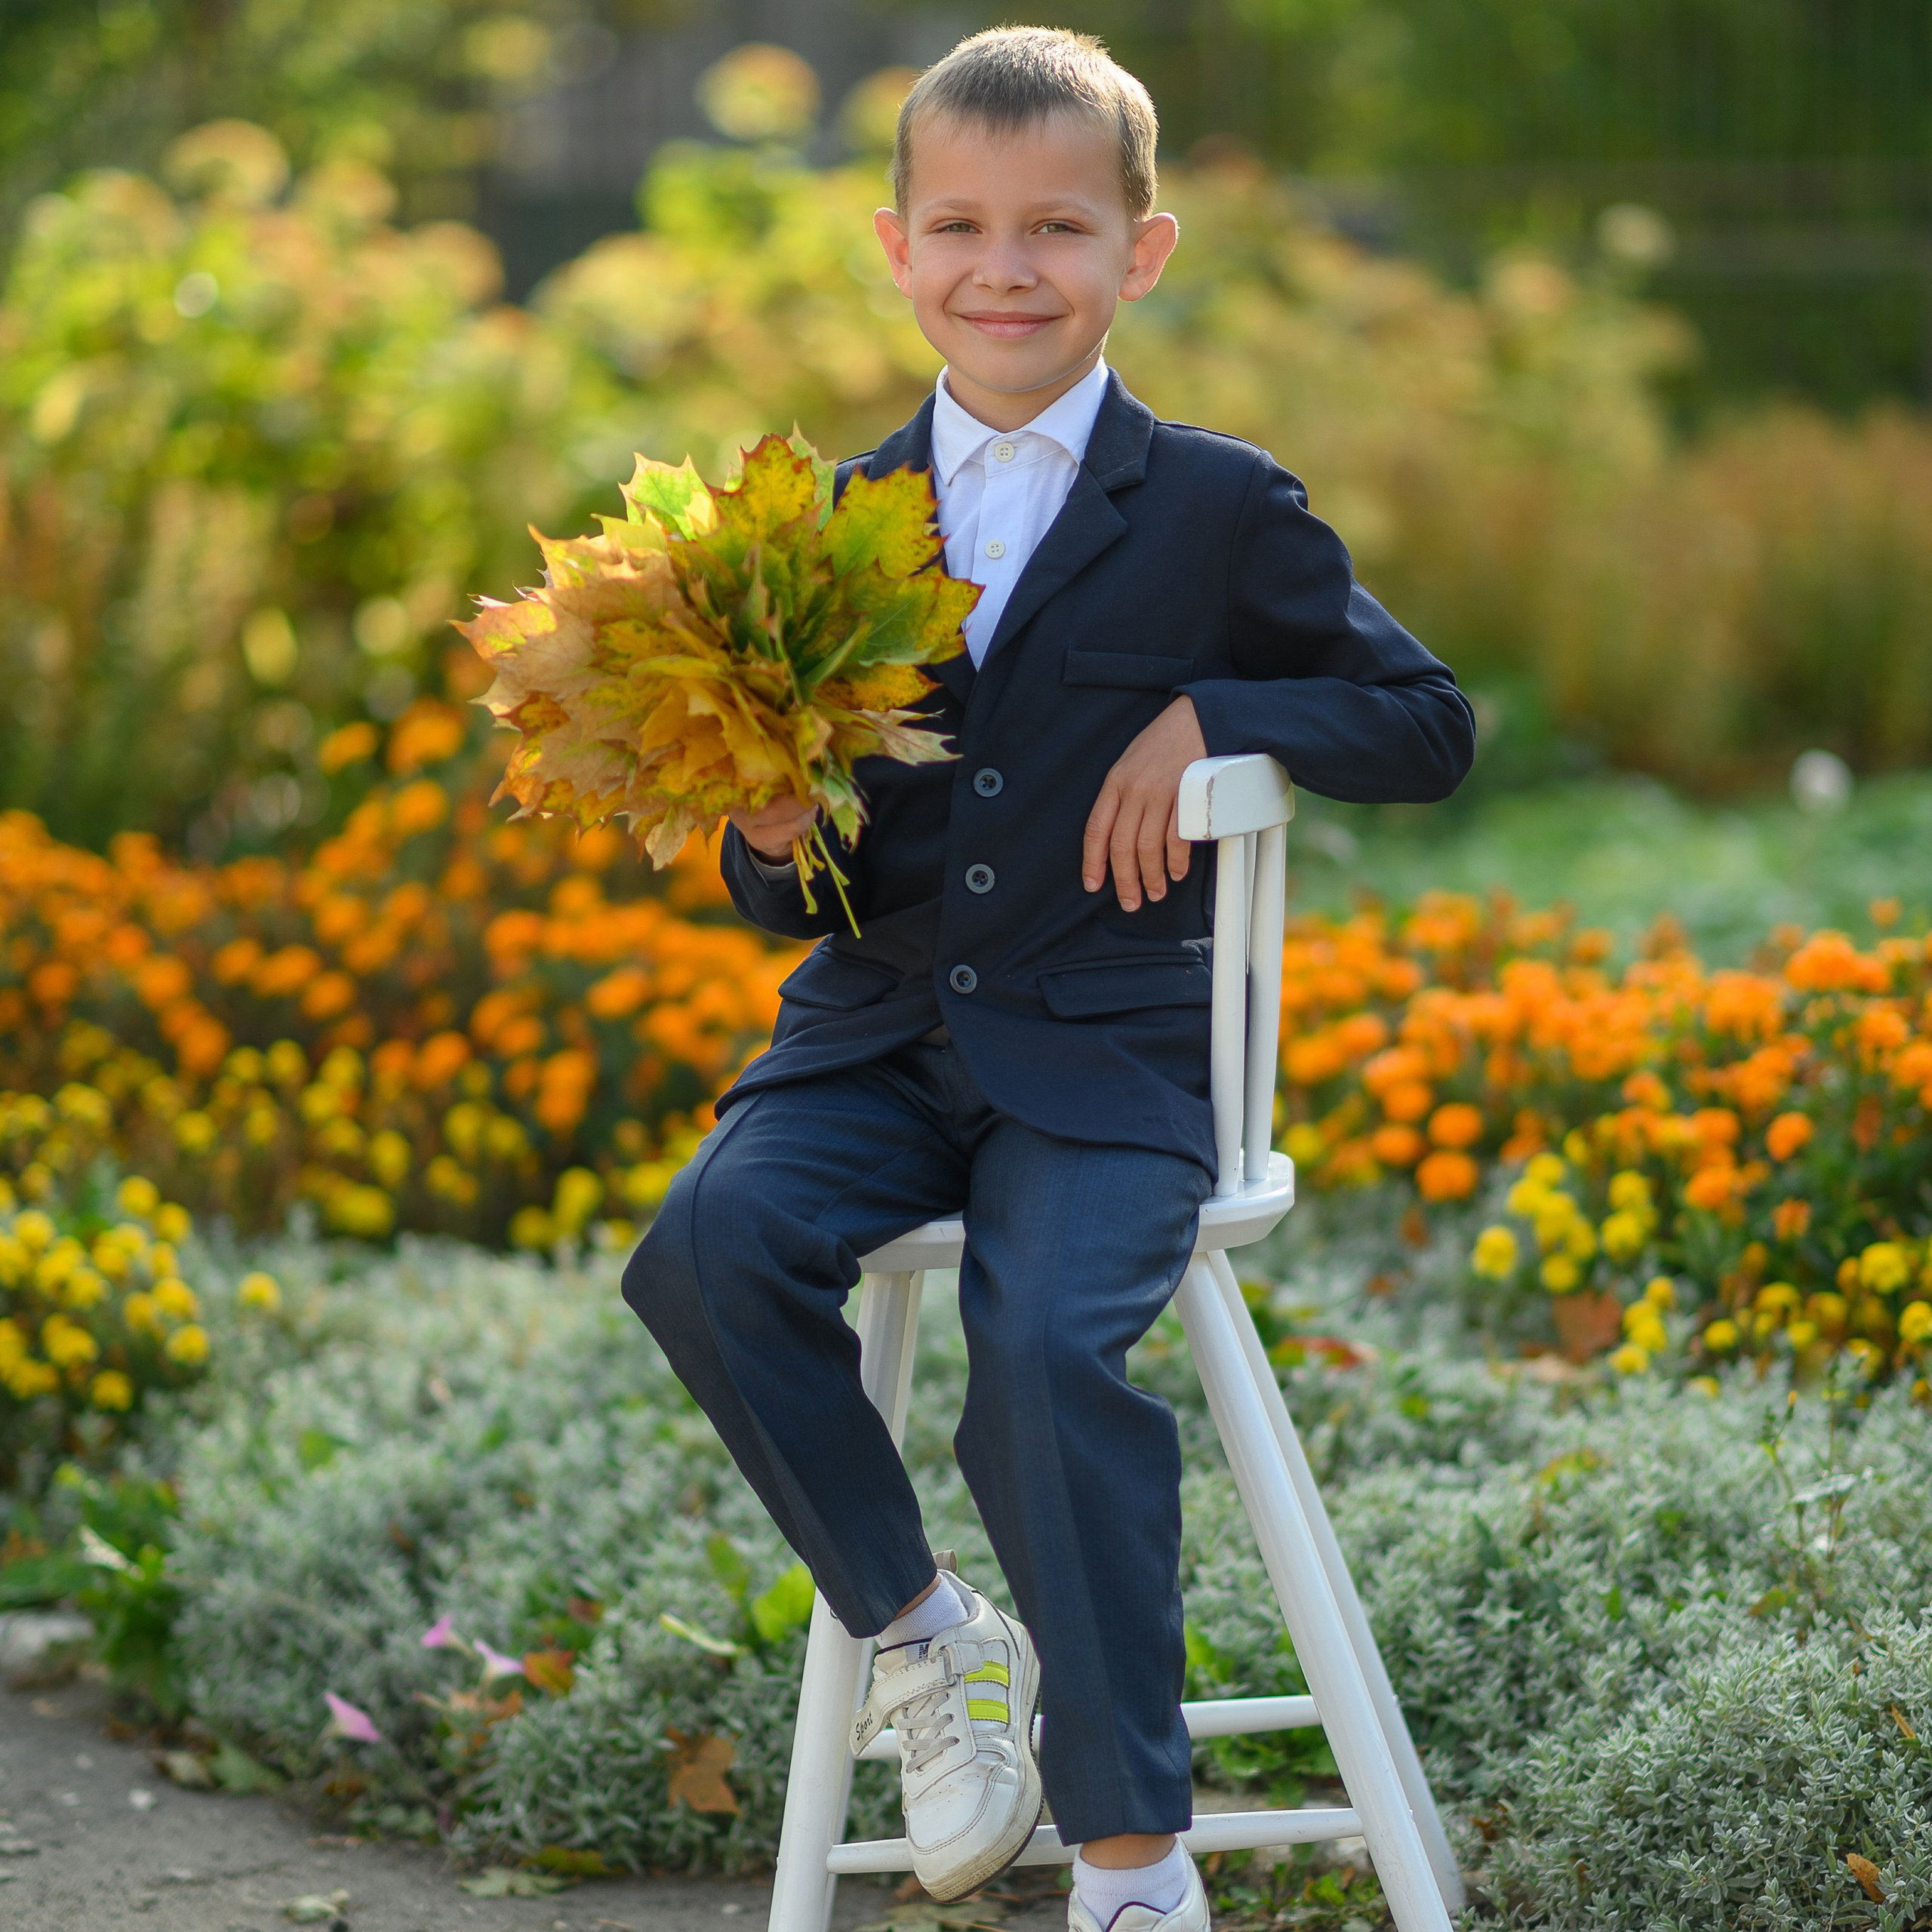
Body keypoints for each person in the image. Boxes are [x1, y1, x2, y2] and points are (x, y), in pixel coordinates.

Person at [623, 25, 1475, 1932]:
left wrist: (1213, 713)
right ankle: (931, 1642)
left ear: (1139, 253)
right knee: (701, 1246)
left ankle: (1128, 1860)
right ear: (896, 246)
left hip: (1112, 1059)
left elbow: (1424, 723)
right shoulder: (821, 524)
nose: (1006, 268)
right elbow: (784, 860)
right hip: (871, 1039)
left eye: (1056, 229)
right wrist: (766, 835)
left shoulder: (1216, 505)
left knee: (1037, 1348)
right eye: (961, 227)